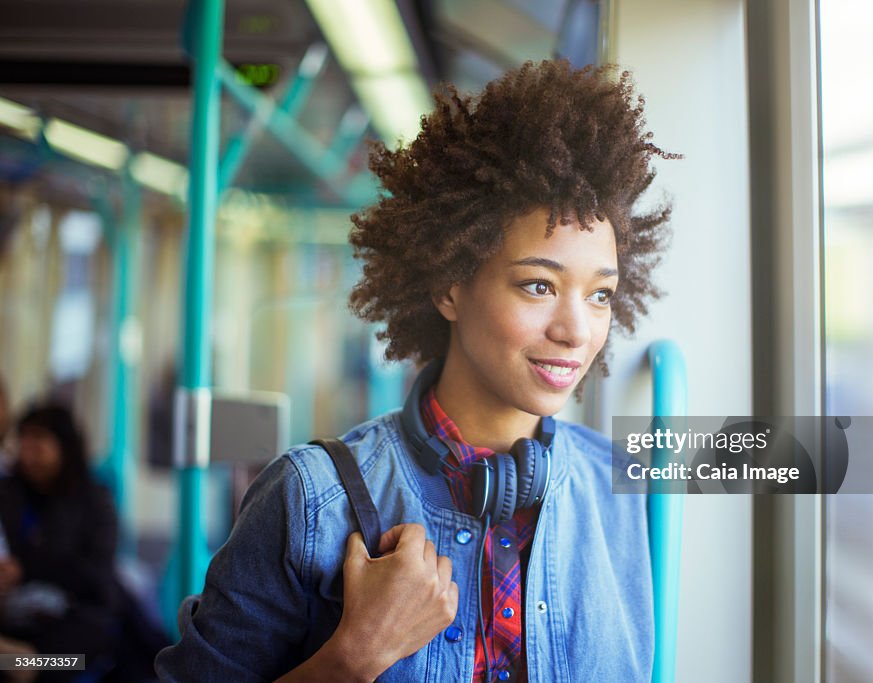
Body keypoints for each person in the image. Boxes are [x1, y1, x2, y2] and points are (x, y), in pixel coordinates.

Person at [156, 59, 677, 682]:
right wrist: (353, 656)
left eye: (599, 295)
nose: (576, 331)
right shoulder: (309, 502)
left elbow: (809, 455)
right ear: (450, 287)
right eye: (538, 285)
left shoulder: (620, 489)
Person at [0, 404, 120, 681]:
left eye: (39, 443)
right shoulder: (9, 494)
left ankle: (26, 665)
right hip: (14, 616)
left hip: (79, 619)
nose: (29, 454)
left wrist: (27, 569)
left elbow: (97, 577)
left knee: (60, 662)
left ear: (65, 447)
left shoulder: (94, 500)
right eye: (24, 443)